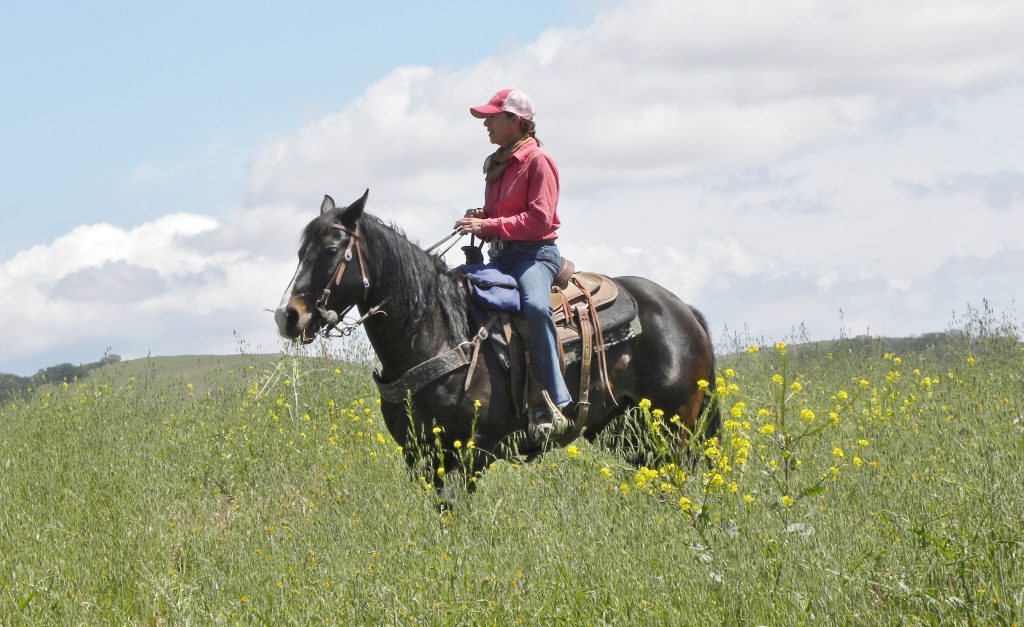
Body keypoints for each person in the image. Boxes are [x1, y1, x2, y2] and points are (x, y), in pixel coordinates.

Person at [454, 88, 571, 441]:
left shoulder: (538, 162)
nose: (486, 124)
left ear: (516, 121)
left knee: (535, 307)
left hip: (534, 256)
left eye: (492, 117)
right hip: (502, 256)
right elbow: (502, 216)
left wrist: (487, 225)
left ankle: (552, 398)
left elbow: (538, 220)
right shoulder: (499, 164)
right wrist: (483, 216)